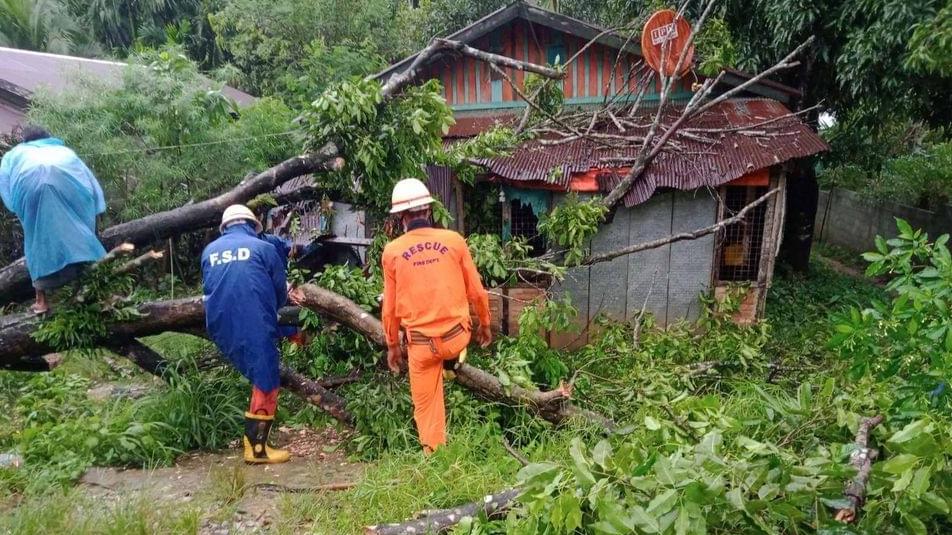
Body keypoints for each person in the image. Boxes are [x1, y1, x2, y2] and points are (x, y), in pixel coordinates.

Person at [381, 178, 492, 454]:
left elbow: (390, 309)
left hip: (421, 347)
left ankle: (434, 455)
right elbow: (478, 292)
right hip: (457, 337)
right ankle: (453, 361)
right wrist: (485, 325)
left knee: (427, 408)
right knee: (452, 345)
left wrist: (393, 345)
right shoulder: (454, 241)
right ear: (429, 211)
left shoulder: (392, 252)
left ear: (401, 218)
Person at [201, 204, 292, 464]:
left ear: (225, 227)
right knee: (267, 378)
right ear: (254, 226)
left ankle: (255, 443)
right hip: (253, 319)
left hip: (217, 322)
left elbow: (209, 286)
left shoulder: (209, 251)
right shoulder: (264, 248)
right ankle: (257, 449)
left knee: (257, 373)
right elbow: (280, 293)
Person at [0, 125, 107, 313]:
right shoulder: (64, 151)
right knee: (82, 230)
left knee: (35, 239)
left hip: (28, 185)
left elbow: (5, 186)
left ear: (26, 141)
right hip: (70, 183)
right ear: (48, 137)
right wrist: (97, 209)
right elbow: (90, 182)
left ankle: (41, 301)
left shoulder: (14, 155)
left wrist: (20, 209)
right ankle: (96, 288)